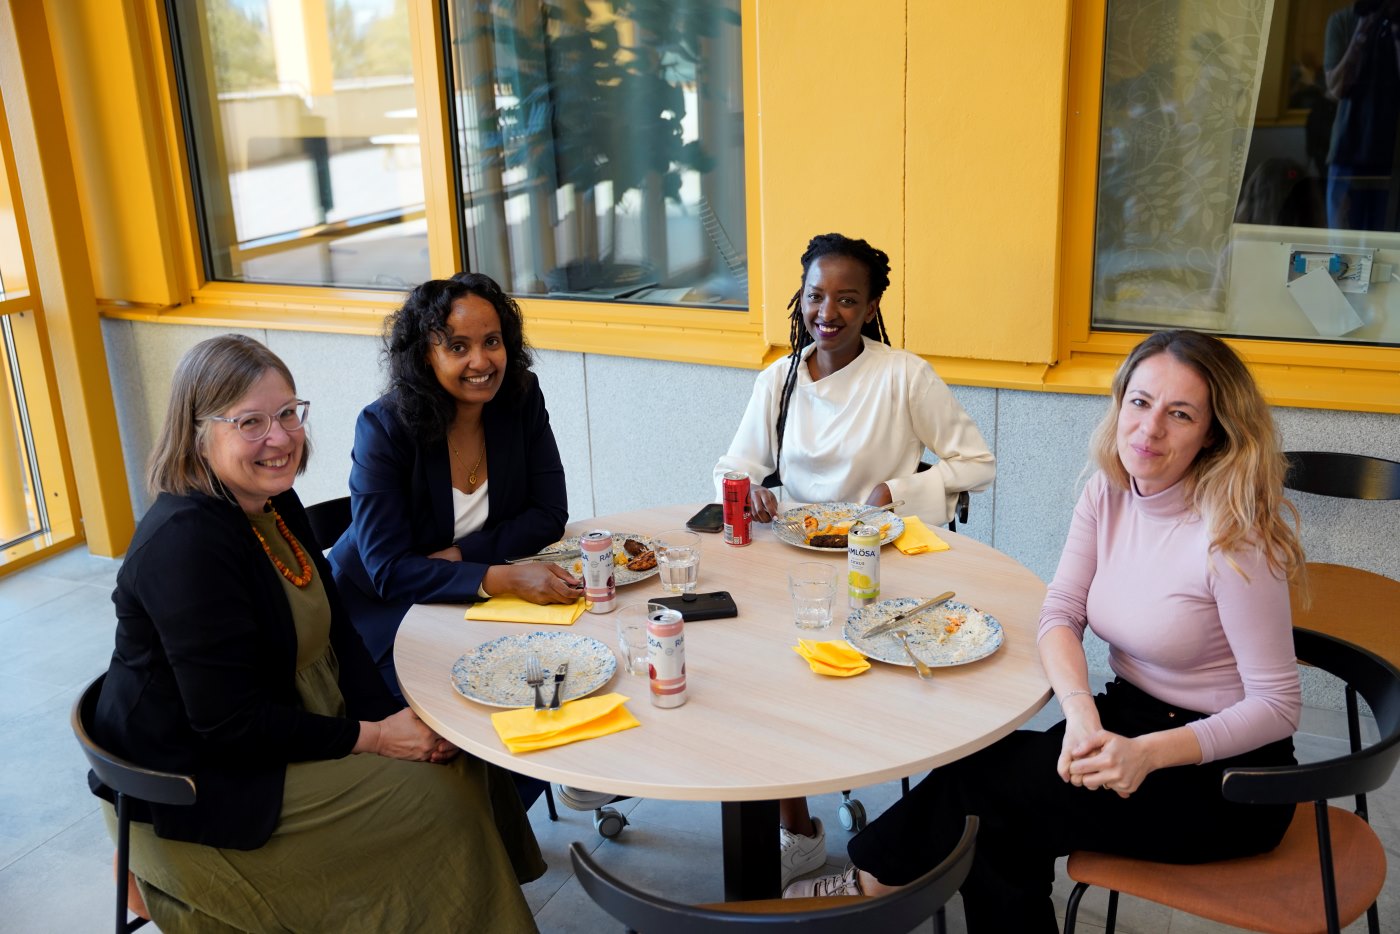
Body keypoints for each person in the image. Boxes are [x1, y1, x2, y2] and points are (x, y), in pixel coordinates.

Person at [786, 330, 1307, 933]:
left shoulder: (1236, 537)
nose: (1149, 429)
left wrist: (1148, 754)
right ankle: (876, 884)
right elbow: (1061, 611)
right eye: (1139, 402)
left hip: (1227, 776)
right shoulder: (1109, 491)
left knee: (980, 795)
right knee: (995, 818)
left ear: (1213, 433)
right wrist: (1081, 714)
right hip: (1125, 720)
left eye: (1181, 414)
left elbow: (1278, 706)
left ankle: (868, 886)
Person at [90, 335, 544, 932]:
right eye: (250, 422)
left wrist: (401, 723)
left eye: (287, 413)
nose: (279, 438)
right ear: (198, 433)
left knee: (462, 748)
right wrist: (376, 738)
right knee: (441, 802)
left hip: (278, 724)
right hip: (200, 785)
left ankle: (454, 904)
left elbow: (340, 638)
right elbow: (229, 725)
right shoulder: (187, 545)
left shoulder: (274, 504)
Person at [713, 232, 996, 888]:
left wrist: (897, 491)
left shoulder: (904, 376)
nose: (827, 312)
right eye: (816, 296)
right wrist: (750, 490)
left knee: (850, 694)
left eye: (846, 299)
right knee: (762, 678)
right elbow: (733, 466)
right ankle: (795, 826)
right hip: (793, 561)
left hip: (879, 564)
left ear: (871, 308)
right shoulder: (779, 379)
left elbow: (978, 463)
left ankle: (894, 821)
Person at [330, 272, 574, 700]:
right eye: (458, 347)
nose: (481, 362)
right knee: (467, 701)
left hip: (469, 601)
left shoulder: (520, 398)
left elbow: (549, 514)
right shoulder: (384, 427)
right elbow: (389, 571)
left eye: (492, 342)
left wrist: (463, 555)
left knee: (554, 678)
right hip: (382, 612)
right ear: (426, 356)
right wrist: (501, 578)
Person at [1323, 0, 1400, 230]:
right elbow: (1336, 89)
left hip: (1394, 159)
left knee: (1389, 245)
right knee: (1342, 245)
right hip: (1347, 154)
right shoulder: (1344, 21)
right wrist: (1361, 33)